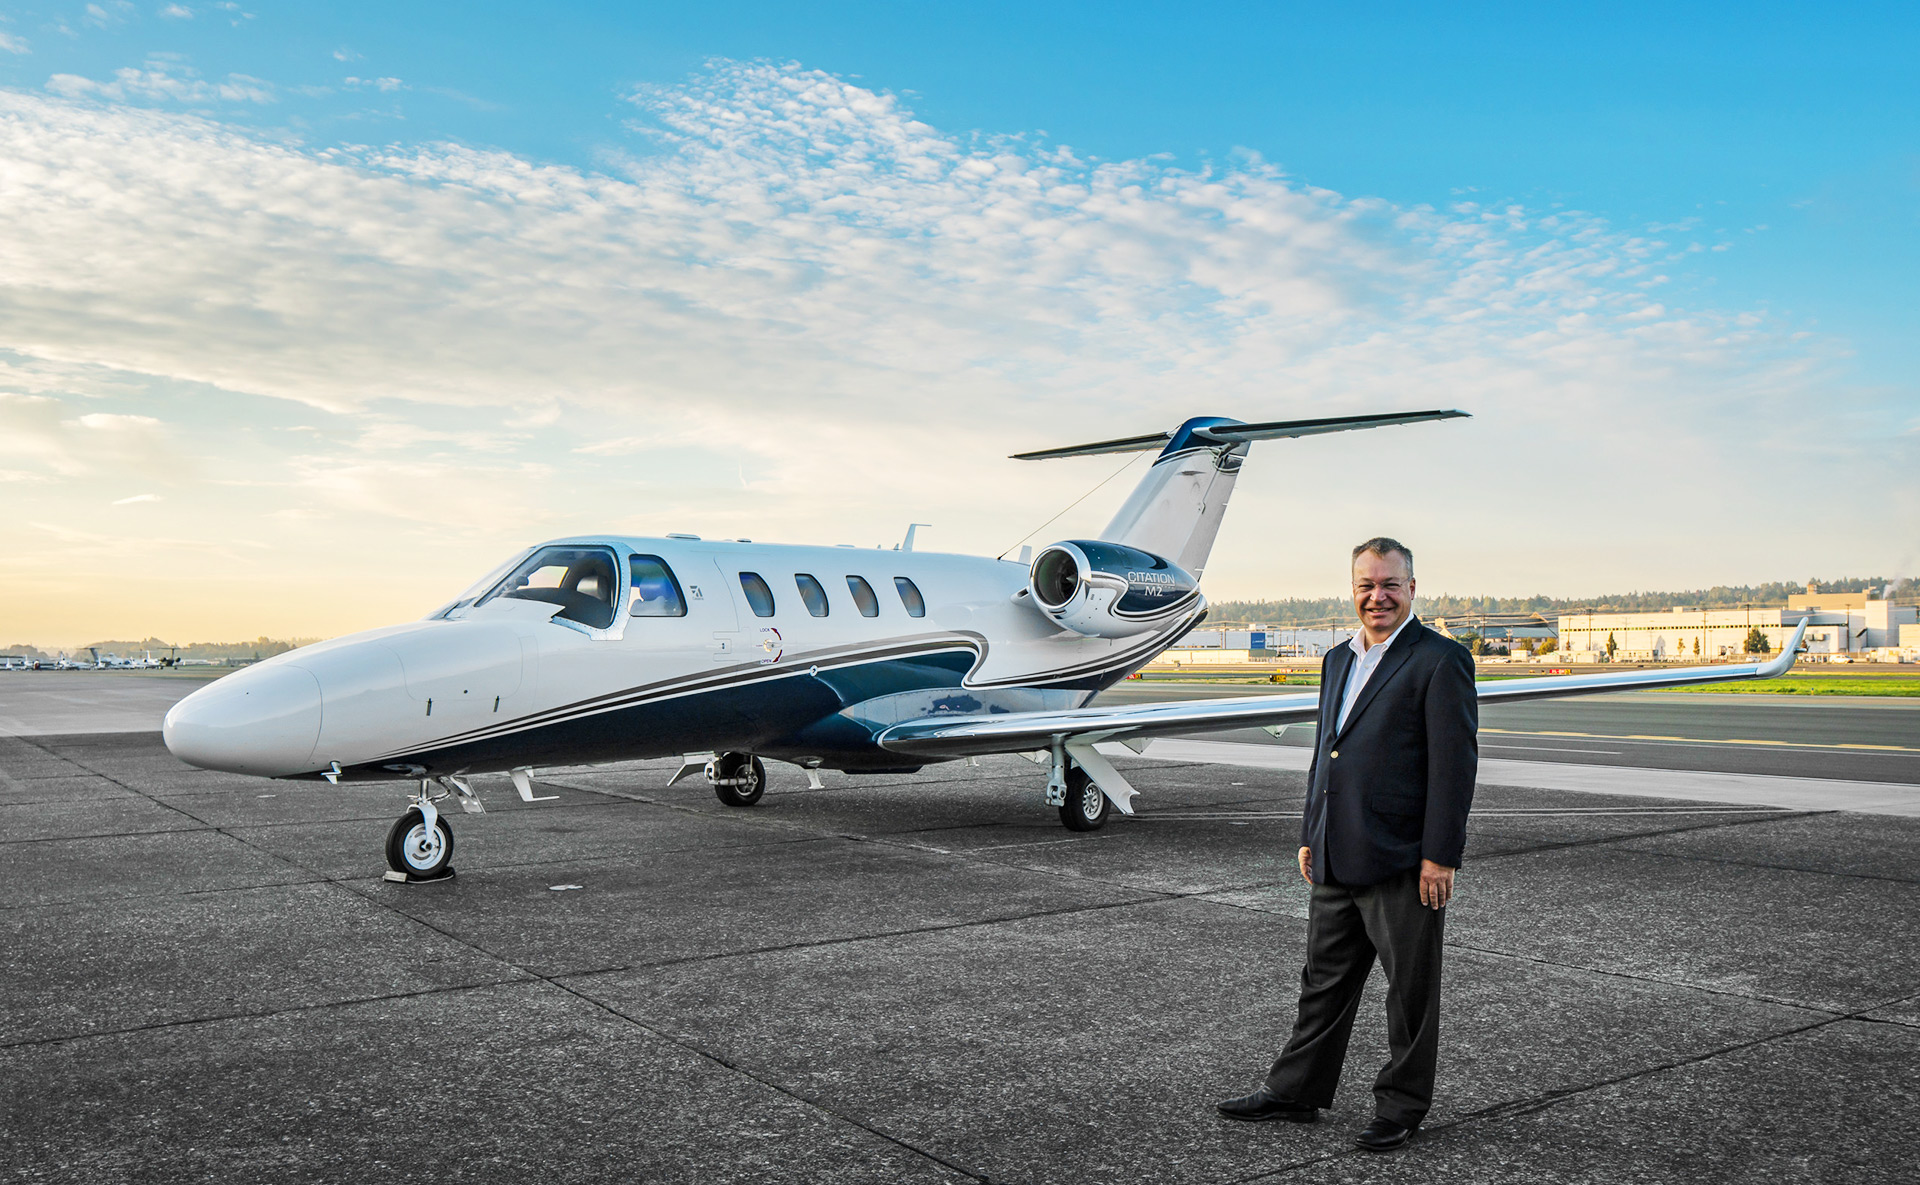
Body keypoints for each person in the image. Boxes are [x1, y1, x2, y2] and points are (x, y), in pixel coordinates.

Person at [1216, 536, 1478, 1152]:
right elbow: (1324, 755)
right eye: (1366, 584)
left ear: (1412, 588)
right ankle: (1297, 1090)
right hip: (1335, 851)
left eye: (1389, 584)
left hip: (1401, 859)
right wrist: (1311, 831)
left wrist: (1440, 855)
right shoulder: (1338, 659)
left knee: (1409, 992)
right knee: (1323, 982)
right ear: (1352, 589)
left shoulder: (1439, 660)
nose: (1377, 596)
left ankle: (1402, 1105)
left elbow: (1454, 766)